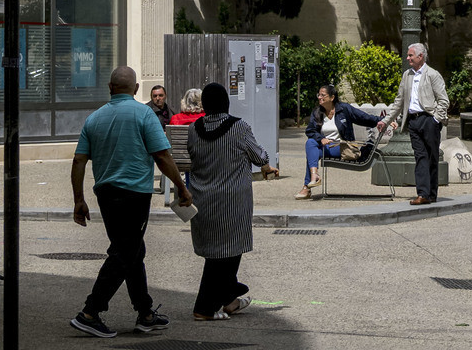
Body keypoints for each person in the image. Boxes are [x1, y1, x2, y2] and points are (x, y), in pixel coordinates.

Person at [70, 64, 193, 337]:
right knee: (125, 252)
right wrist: (181, 187)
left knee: (132, 250)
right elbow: (162, 155)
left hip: (105, 193)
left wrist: (79, 199)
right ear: (136, 89)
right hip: (134, 194)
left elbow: (79, 160)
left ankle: (145, 313)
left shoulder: (94, 118)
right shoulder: (144, 115)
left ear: (110, 88)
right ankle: (90, 312)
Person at [185, 82, 277, 322]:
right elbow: (259, 156)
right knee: (228, 254)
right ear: (226, 102)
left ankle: (231, 300)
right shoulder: (239, 127)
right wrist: (267, 165)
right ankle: (206, 307)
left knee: (217, 253)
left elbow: (191, 157)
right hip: (232, 202)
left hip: (202, 200)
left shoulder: (194, 129)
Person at [378, 42, 450, 204]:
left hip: (429, 120)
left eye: (411, 55)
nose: (408, 57)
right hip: (413, 122)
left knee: (432, 157)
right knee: (420, 157)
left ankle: (431, 194)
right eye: (408, 55)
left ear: (420, 57)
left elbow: (443, 100)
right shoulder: (407, 75)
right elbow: (399, 101)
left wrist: (436, 119)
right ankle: (423, 194)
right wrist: (386, 121)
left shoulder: (432, 74)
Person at [298, 82, 378, 197]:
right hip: (325, 146)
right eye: (319, 95)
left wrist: (385, 120)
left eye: (323, 95)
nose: (319, 98)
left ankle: (307, 187)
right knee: (311, 145)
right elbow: (310, 131)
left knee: (312, 153)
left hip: (343, 148)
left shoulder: (344, 109)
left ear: (332, 97)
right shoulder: (317, 112)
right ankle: (314, 176)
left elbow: (365, 118)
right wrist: (321, 138)